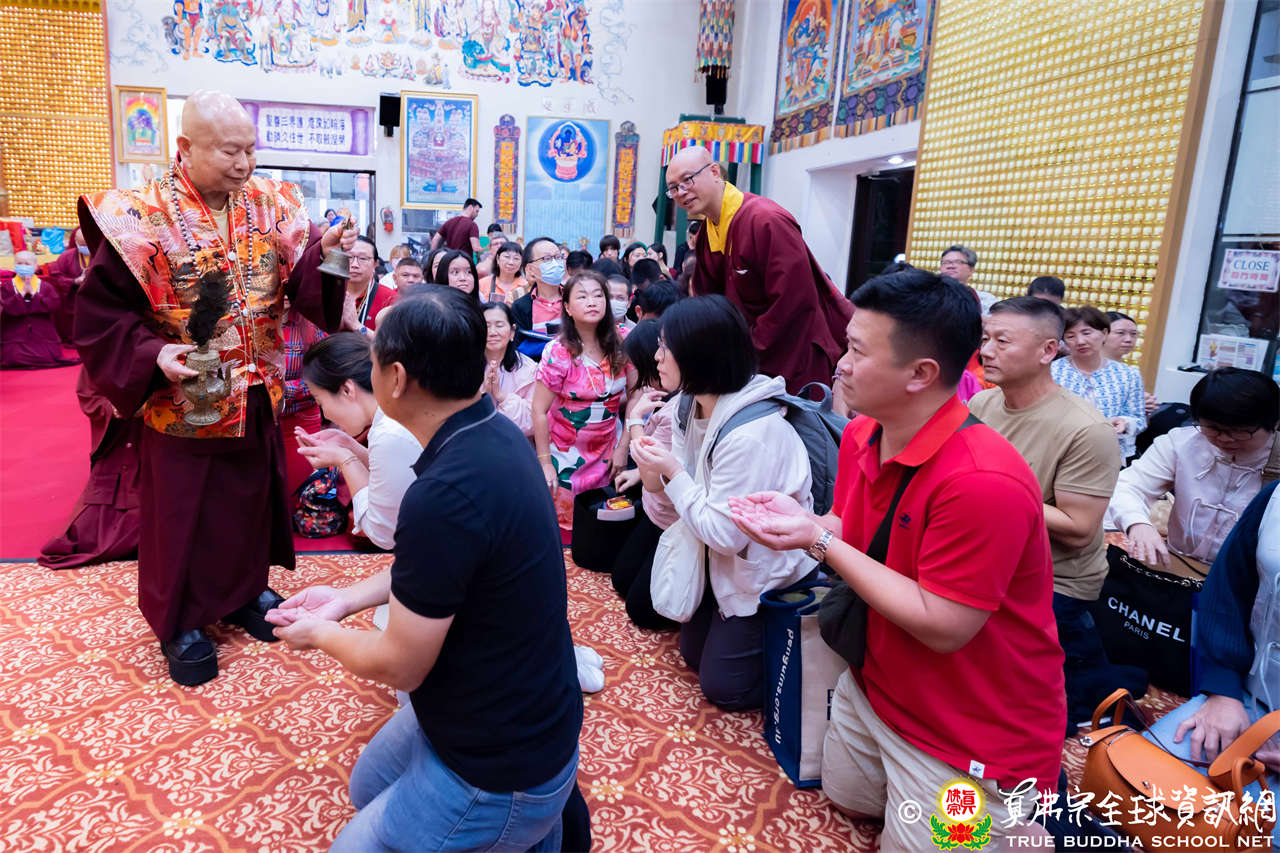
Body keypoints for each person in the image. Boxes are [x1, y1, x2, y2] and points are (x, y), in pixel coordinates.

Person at [730, 268, 1063, 848]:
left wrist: (817, 541)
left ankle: (1025, 820)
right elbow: (850, 530)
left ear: (921, 374)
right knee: (848, 797)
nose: (840, 364)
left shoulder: (983, 481)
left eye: (858, 351)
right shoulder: (864, 434)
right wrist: (807, 523)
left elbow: (944, 624)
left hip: (970, 727)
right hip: (878, 686)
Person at [267, 288, 583, 851]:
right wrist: (345, 600)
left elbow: (400, 665)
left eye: (371, 361)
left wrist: (321, 634)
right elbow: (437, 571)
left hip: (499, 763)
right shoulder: (489, 431)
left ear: (396, 378)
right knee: (367, 788)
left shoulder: (444, 493)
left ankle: (529, 831)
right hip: (513, 704)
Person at [73, 90, 355, 685]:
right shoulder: (139, 213)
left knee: (247, 502)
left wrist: (328, 257)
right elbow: (99, 314)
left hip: (256, 389)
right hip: (183, 395)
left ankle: (245, 592)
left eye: (250, 149)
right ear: (185, 147)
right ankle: (180, 621)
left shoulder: (274, 202)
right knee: (183, 514)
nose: (244, 163)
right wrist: (153, 354)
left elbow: (307, 289)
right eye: (230, 151)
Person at [629, 296, 816, 709]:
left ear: (700, 355)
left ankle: (792, 651)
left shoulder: (750, 434)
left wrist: (672, 471)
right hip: (716, 555)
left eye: (665, 347)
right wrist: (645, 442)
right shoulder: (688, 403)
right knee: (692, 653)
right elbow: (665, 494)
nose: (657, 357)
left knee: (723, 688)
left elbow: (725, 535)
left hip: (762, 566)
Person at [969, 297, 1139, 733]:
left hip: (1055, 578)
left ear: (1047, 351)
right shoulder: (984, 406)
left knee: (1047, 710)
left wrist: (996, 490)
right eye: (986, 339)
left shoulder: (1085, 429)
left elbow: (1079, 528)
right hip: (995, 560)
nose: (986, 351)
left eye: (1002, 341)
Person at [1143, 482, 1280, 836]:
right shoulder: (1275, 497)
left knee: (1253, 834)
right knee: (1143, 784)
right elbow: (1228, 587)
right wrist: (1223, 692)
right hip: (1248, 696)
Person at [666, 145, 852, 395]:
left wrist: (744, 355)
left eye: (687, 180)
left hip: (792, 358)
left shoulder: (766, 220)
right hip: (745, 364)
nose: (681, 192)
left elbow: (794, 302)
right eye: (673, 188)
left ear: (714, 172)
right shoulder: (707, 235)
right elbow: (709, 305)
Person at [1108, 367, 1278, 572]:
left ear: (1274, 424)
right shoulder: (1182, 443)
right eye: (1213, 428)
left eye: (1240, 431)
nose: (1224, 438)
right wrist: (1137, 523)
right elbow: (1129, 486)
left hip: (1248, 580)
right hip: (1179, 565)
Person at [295, 333, 421, 550]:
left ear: (347, 390)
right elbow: (394, 475)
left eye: (320, 402)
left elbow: (384, 531)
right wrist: (348, 446)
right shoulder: (393, 415)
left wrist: (345, 459)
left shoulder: (388, 432)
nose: (325, 414)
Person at [532, 270, 627, 539]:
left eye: (598, 295)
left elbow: (635, 397)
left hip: (609, 452)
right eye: (582, 296)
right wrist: (545, 462)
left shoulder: (623, 341)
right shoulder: (558, 352)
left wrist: (623, 448)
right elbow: (538, 410)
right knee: (564, 531)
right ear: (567, 307)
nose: (592, 302)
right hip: (564, 455)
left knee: (600, 527)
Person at [610, 319, 679, 631]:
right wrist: (637, 471)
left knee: (641, 609)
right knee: (622, 579)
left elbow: (655, 479)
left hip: (674, 518)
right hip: (657, 508)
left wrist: (636, 420)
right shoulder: (661, 393)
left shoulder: (675, 408)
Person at [38, 368, 142, 569]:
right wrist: (113, 409)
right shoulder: (105, 352)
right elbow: (88, 394)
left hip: (157, 432)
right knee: (90, 531)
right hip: (118, 435)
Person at [1052, 306, 1147, 459]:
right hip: (1061, 450)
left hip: (1108, 454)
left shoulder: (1128, 374)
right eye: (1070, 336)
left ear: (1104, 333)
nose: (1080, 341)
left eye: (1087, 333)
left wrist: (1125, 423)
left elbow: (1138, 418)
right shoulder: (1052, 371)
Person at [279, 302, 328, 497]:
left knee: (297, 493)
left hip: (300, 422)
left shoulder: (312, 322)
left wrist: (284, 390)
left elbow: (327, 373)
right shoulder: (246, 321)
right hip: (256, 423)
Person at [1, 252, 79, 369]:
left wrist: (34, 294)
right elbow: (5, 309)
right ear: (14, 265)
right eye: (19, 263)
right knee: (13, 357)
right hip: (16, 334)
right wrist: (21, 294)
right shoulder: (7, 287)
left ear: (35, 266)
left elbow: (53, 306)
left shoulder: (45, 286)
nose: (23, 266)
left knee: (46, 357)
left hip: (42, 332)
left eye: (27, 264)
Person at [482, 301, 538, 437]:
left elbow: (532, 422)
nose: (492, 332)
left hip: (514, 443)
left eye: (499, 325)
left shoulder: (529, 369)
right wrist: (483, 394)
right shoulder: (465, 366)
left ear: (512, 331)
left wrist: (502, 396)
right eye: (486, 326)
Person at [37, 226, 91, 344]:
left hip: (94, 299)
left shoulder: (99, 254)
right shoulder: (66, 257)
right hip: (73, 299)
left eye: (87, 244)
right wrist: (74, 281)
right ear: (75, 241)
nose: (85, 247)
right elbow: (56, 278)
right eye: (82, 245)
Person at [511, 237, 567, 347]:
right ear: (530, 269)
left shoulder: (574, 298)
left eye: (558, 257)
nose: (555, 263)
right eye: (547, 259)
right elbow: (520, 348)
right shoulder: (520, 307)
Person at [1104, 310, 1159, 415]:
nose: (1129, 339)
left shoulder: (1131, 374)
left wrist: (1144, 408)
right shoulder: (1083, 367)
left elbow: (1140, 421)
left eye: (1133, 334)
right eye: (1120, 333)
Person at [346, 236, 397, 332]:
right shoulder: (326, 292)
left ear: (375, 264)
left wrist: (357, 326)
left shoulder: (390, 299)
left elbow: (391, 340)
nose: (354, 264)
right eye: (349, 257)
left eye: (362, 258)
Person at [940, 243, 999, 315]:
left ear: (971, 270)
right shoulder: (929, 296)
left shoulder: (985, 300)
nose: (950, 266)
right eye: (946, 262)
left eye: (958, 262)